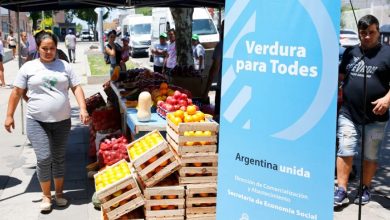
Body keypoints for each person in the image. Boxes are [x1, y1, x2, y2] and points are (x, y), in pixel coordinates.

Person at [4, 31, 89, 212]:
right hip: (36, 121)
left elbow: (77, 87)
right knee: (44, 158)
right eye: (44, 48)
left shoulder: (64, 66)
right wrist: (9, 115)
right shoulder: (28, 67)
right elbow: (17, 92)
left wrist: (82, 108)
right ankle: (46, 196)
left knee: (58, 158)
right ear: (38, 48)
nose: (48, 52)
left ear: (56, 48)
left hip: (62, 121)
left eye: (52, 48)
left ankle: (59, 194)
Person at [334, 14, 390, 207]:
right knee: (345, 148)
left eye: (371, 33)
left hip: (376, 116)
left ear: (378, 32)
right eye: (363, 33)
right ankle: (341, 189)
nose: (367, 37)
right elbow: (340, 76)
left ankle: (365, 188)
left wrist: (387, 99)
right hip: (349, 112)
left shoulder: (387, 53)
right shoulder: (350, 52)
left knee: (370, 155)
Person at [203, 21, 224, 122]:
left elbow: (214, 69)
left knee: (218, 119)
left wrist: (206, 91)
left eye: (221, 29)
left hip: (223, 89)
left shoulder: (221, 45)